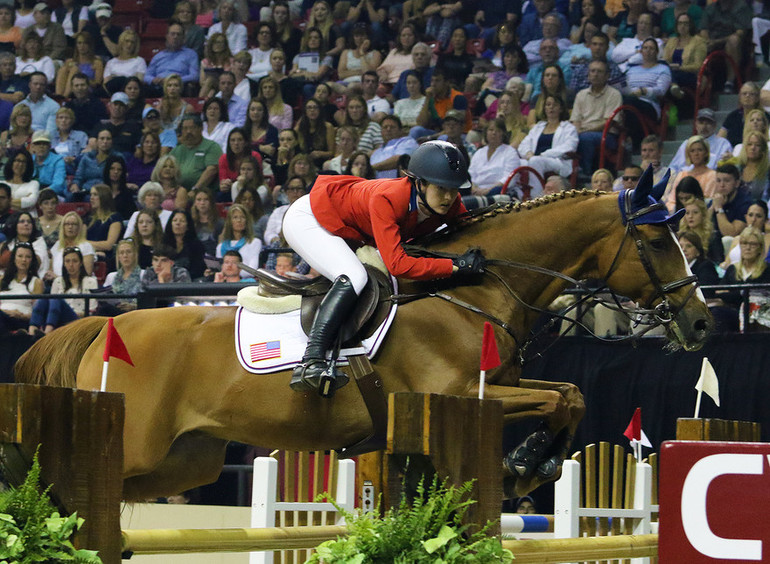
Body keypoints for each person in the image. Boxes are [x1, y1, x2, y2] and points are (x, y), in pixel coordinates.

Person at [282, 141, 481, 392]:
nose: (449, 197)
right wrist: (454, 267)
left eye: (454, 189)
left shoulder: (447, 201)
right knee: (354, 276)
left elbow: (469, 226)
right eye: (441, 188)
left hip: (347, 226)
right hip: (310, 218)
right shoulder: (388, 198)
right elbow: (398, 265)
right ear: (419, 183)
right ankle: (311, 360)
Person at [518, 94, 579, 196]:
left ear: (560, 109)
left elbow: (570, 146)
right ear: (544, 108)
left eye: (554, 105)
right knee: (518, 162)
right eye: (548, 104)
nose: (551, 107)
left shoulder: (568, 128)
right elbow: (524, 144)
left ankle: (536, 197)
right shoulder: (538, 127)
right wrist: (528, 153)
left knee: (535, 161)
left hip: (558, 161)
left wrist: (543, 155)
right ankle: (516, 194)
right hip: (534, 158)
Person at [570, 59, 622, 177]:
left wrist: (583, 132)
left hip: (606, 134)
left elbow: (608, 122)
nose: (595, 74)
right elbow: (576, 120)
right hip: (583, 131)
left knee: (585, 138)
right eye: (592, 71)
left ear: (607, 76)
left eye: (599, 71)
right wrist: (575, 132)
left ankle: (585, 172)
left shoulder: (614, 94)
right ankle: (567, 171)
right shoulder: (581, 94)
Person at [29, 246, 96, 335]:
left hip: (79, 320)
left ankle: (47, 333)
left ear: (80, 263)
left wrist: (68, 311)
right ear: (64, 263)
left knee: (57, 299)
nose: (71, 265)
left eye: (74, 261)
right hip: (59, 319)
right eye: (67, 261)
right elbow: (52, 306)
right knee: (43, 299)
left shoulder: (90, 281)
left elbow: (92, 310)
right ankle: (31, 332)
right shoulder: (58, 281)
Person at [700, 0, 752, 93]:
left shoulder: (741, 6)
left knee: (733, 40)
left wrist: (717, 42)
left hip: (735, 44)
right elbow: (703, 29)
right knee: (697, 41)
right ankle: (699, 82)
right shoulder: (711, 8)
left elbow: (740, 32)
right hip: (712, 42)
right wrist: (707, 41)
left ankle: (730, 82)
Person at [466, 117, 520, 202]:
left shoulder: (510, 152)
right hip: (476, 191)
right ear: (486, 133)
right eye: (491, 130)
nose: (494, 133)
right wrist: (473, 189)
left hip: (500, 192)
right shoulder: (479, 152)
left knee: (469, 203)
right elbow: (471, 174)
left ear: (503, 134)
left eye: (498, 131)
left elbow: (509, 178)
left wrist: (488, 190)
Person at [411, 68, 471, 140]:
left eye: (437, 81)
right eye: (432, 81)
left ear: (447, 83)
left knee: (444, 138)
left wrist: (430, 137)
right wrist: (427, 99)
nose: (433, 84)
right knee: (415, 130)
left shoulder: (457, 98)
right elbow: (421, 123)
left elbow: (454, 128)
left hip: (460, 134)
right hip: (438, 133)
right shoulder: (431, 98)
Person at [169, 114, 223, 192]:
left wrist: (195, 189)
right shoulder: (175, 151)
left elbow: (211, 170)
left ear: (201, 128)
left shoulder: (211, 147)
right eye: (185, 128)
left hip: (203, 193)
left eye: (192, 128)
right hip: (178, 192)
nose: (188, 131)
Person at [669, 108, 733, 174]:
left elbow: (724, 169)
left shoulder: (723, 144)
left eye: (708, 123)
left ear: (714, 125)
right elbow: (673, 167)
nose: (704, 127)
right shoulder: (687, 143)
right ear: (696, 125)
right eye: (701, 123)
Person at [144, 22, 200, 97]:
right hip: (159, 87)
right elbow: (146, 76)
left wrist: (173, 80)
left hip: (179, 87)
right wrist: (153, 80)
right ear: (167, 36)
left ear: (183, 38)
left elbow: (194, 76)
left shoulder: (191, 54)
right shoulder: (158, 56)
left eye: (178, 34)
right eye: (172, 34)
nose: (175, 37)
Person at [0, 243, 42, 334]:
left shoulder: (36, 282)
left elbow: (38, 313)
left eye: (28, 257)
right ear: (14, 258)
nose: (23, 260)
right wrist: (6, 312)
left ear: (32, 260)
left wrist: (21, 315)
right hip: (3, 315)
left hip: (21, 320)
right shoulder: (2, 280)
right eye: (20, 256)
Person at [665, 136, 717, 209]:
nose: (696, 154)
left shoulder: (713, 175)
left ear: (706, 153)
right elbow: (672, 201)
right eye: (692, 151)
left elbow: (709, 201)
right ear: (688, 154)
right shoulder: (681, 175)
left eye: (700, 150)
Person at [70, 127, 116, 199]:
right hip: (86, 190)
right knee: (70, 197)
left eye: (108, 139)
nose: (105, 141)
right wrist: (75, 184)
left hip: (105, 193)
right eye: (102, 138)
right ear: (97, 141)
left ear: (112, 141)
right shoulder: (87, 157)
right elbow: (78, 177)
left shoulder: (117, 158)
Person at [216, 204, 262, 276]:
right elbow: (219, 270)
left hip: (245, 283)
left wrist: (230, 273)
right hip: (224, 284)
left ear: (246, 221)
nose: (239, 220)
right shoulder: (220, 246)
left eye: (242, 217)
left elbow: (252, 271)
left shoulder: (254, 242)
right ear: (229, 222)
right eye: (235, 217)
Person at [100, 238, 142, 314]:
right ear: (118, 257)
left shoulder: (143, 274)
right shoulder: (111, 276)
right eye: (121, 253)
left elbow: (148, 301)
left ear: (135, 255)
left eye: (128, 252)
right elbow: (105, 298)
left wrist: (133, 306)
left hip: (136, 313)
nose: (125, 255)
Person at [54, 31, 103, 97]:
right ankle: (59, 96)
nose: (82, 46)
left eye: (85, 43)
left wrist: (81, 76)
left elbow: (97, 85)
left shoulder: (97, 63)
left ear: (90, 45)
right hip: (72, 89)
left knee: (75, 69)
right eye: (79, 43)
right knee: (64, 69)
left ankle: (64, 98)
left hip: (86, 89)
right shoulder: (69, 61)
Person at [49, 211, 94, 280]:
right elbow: (51, 269)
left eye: (74, 224)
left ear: (79, 227)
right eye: (67, 224)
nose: (70, 227)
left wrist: (58, 278)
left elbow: (87, 273)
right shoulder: (57, 245)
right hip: (56, 284)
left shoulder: (86, 246)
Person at [84, 183, 123, 264]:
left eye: (95, 195)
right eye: (91, 195)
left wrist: (86, 244)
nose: (91, 198)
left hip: (107, 257)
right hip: (89, 254)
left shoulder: (115, 218)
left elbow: (109, 245)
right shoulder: (88, 218)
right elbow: (80, 240)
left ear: (104, 197)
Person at [219, 128, 261, 201]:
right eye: (232, 140)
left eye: (240, 140)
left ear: (246, 142)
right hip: (230, 191)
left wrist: (238, 184)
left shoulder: (255, 156)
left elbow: (257, 178)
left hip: (252, 188)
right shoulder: (223, 158)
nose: (236, 143)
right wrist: (224, 185)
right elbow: (223, 181)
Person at [162, 209, 205, 280]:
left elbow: (198, 269)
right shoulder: (163, 243)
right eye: (175, 220)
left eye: (182, 221)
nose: (178, 223)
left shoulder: (196, 245)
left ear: (188, 226)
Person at [712, 163, 752, 239]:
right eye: (718, 180)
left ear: (737, 183)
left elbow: (731, 233)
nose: (722, 185)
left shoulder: (745, 203)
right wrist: (712, 207)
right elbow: (701, 227)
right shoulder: (717, 200)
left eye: (726, 181)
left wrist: (718, 208)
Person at [97, 91, 141, 159]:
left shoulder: (133, 127)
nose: (117, 107)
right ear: (110, 106)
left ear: (126, 108)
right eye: (115, 104)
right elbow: (93, 141)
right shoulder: (101, 125)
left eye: (121, 105)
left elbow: (139, 144)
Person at [679, 197, 723, 264]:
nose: (690, 216)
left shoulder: (713, 237)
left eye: (695, 212)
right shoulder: (679, 236)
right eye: (687, 213)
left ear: (703, 215)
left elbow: (718, 261)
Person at [295, 97, 336, 169]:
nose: (312, 110)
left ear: (320, 110)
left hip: (321, 163)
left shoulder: (328, 127)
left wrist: (321, 154)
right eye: (309, 108)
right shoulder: (299, 128)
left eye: (315, 107)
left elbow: (332, 152)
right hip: (303, 163)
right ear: (305, 111)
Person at [103, 29, 146, 95]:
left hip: (131, 92)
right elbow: (106, 84)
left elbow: (139, 81)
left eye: (132, 42)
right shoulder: (111, 62)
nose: (129, 44)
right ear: (121, 42)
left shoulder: (139, 61)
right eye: (127, 41)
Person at [5, 210, 48, 276]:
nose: (26, 224)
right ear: (15, 225)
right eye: (22, 221)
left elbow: (36, 264)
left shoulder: (39, 242)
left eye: (29, 222)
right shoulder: (8, 243)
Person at [51, 106, 88, 176]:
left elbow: (85, 155)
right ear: (56, 121)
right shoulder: (50, 136)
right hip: (53, 167)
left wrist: (74, 159)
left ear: (72, 121)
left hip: (73, 167)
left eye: (67, 118)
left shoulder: (81, 135)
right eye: (61, 117)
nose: (63, 120)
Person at [30, 129, 66, 200]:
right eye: (38, 143)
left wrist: (39, 193)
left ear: (50, 146)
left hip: (52, 194)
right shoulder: (29, 160)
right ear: (33, 146)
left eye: (44, 143)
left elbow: (58, 184)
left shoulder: (58, 160)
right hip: (31, 192)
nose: (41, 146)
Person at [102, 155, 137, 221]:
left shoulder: (127, 194)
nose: (116, 172)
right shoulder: (100, 191)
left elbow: (131, 216)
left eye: (119, 169)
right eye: (112, 168)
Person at [4, 149, 38, 215]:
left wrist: (6, 203)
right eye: (18, 160)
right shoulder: (2, 184)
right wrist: (23, 204)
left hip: (28, 220)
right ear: (11, 162)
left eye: (24, 162)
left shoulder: (33, 184)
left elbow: (31, 201)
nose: (20, 164)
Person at [245, 97, 279, 164]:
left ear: (264, 112)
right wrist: (260, 148)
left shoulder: (272, 130)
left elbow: (270, 151)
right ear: (248, 112)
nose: (255, 112)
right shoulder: (243, 131)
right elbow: (241, 149)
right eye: (252, 109)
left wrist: (251, 147)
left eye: (259, 110)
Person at [199, 32, 233, 99]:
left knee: (210, 81)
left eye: (221, 42)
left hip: (225, 86)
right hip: (210, 87)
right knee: (211, 90)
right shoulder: (205, 62)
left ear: (225, 45)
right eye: (215, 42)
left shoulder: (231, 61)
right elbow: (201, 82)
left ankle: (200, 102)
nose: (218, 45)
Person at [190, 187, 223, 256]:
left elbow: (220, 247)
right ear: (195, 203)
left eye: (206, 199)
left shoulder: (220, 223)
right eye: (199, 200)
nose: (202, 203)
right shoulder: (190, 222)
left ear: (211, 202)